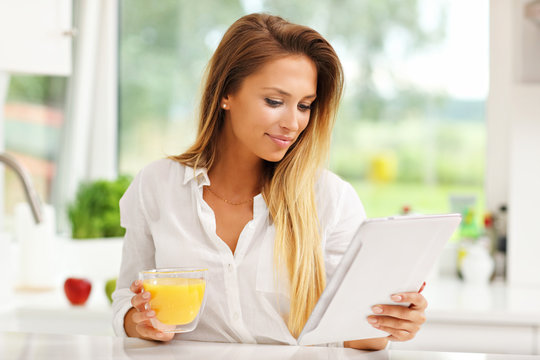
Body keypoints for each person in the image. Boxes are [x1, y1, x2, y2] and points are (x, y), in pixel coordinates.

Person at [112, 13, 427, 350]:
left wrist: (391, 323)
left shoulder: (330, 199)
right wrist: (139, 321)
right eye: (275, 102)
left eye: (305, 105)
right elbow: (124, 304)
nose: (293, 123)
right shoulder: (156, 186)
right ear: (226, 94)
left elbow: (352, 332)